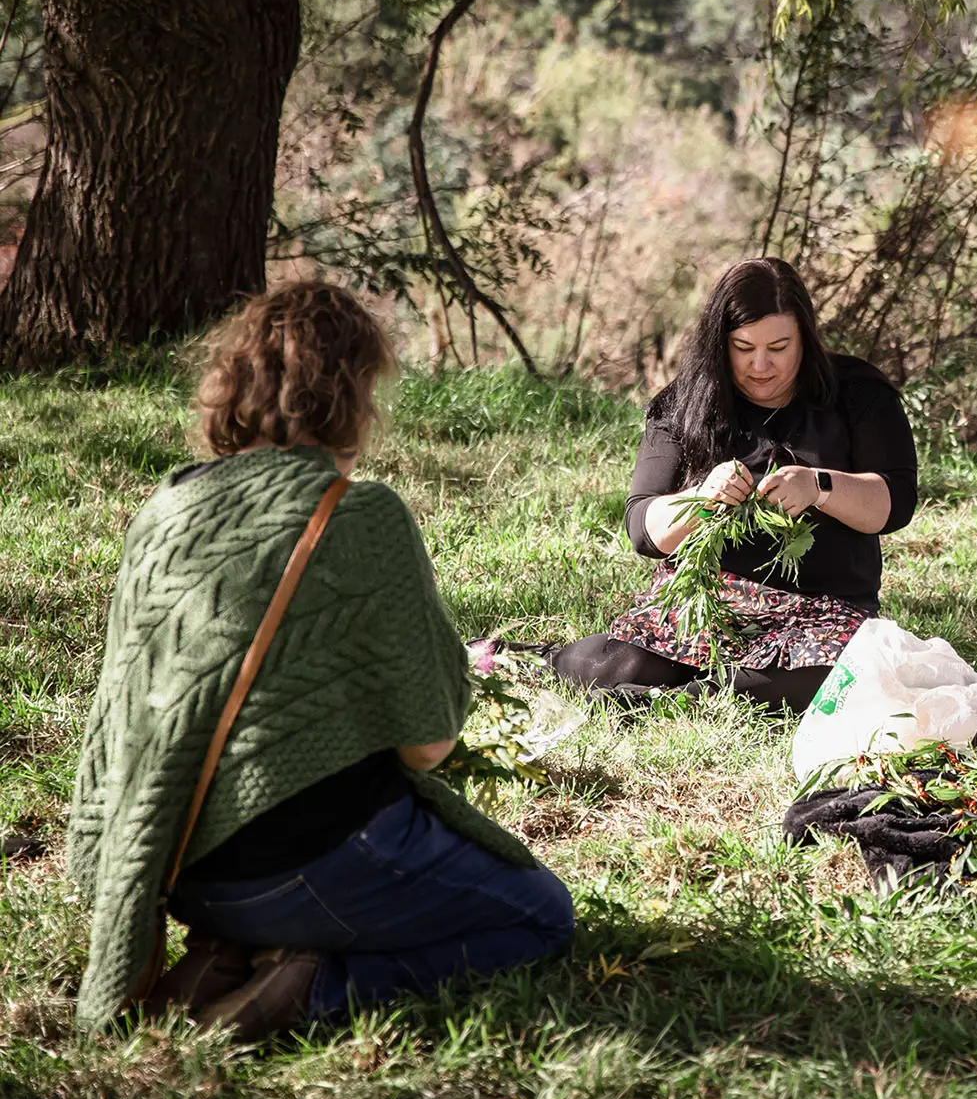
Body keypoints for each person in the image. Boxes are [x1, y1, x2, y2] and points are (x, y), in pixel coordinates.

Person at [67, 282, 574, 1039]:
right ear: (353, 394)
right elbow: (428, 744)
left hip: (169, 871)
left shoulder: (163, 511)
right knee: (542, 917)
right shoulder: (361, 514)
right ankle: (310, 986)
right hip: (307, 862)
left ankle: (231, 953)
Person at [547, 257, 920, 712]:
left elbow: (894, 502)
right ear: (719, 343)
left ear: (805, 336)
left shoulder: (859, 393)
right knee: (617, 666)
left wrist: (821, 486)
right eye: (743, 347)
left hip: (823, 612)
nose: (760, 365)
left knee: (833, 675)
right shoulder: (683, 404)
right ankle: (543, 661)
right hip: (710, 604)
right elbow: (642, 528)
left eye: (779, 347)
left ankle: (683, 700)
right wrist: (700, 498)